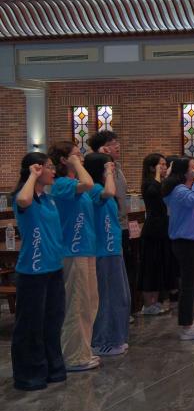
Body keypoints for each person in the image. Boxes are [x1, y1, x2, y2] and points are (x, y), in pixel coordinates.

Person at [10, 153, 66, 391]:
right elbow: (23, 200)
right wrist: (32, 176)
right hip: (33, 270)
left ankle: (53, 369)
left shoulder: (49, 199)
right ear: (36, 169)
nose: (53, 171)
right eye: (49, 167)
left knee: (52, 322)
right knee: (30, 325)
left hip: (54, 267)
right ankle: (29, 375)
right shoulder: (24, 197)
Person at [48, 141, 103, 372]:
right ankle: (73, 356)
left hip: (86, 247)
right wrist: (77, 165)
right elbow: (88, 183)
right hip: (72, 249)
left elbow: (93, 188)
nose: (81, 157)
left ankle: (83, 349)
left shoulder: (74, 183)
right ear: (64, 160)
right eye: (75, 154)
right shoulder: (61, 184)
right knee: (76, 303)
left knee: (90, 302)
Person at [84, 153, 129, 357]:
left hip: (113, 248)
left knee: (119, 296)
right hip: (102, 249)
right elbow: (110, 191)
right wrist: (109, 172)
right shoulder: (93, 189)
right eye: (107, 167)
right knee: (107, 297)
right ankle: (102, 340)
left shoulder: (101, 188)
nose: (111, 170)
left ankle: (116, 337)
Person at [162, 157, 194, 341]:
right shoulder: (179, 190)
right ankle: (186, 325)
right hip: (186, 241)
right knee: (189, 285)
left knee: (191, 283)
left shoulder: (183, 189)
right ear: (184, 171)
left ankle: (188, 321)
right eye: (193, 167)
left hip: (191, 240)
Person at [138, 153, 174, 315]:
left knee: (160, 265)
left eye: (165, 164)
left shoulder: (162, 182)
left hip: (164, 229)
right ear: (152, 168)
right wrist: (159, 175)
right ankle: (148, 303)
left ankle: (156, 301)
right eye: (161, 165)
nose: (165, 167)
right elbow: (153, 192)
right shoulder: (148, 183)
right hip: (152, 230)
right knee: (150, 267)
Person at [88, 131, 128, 229]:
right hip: (107, 225)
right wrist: (101, 156)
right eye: (111, 144)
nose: (117, 146)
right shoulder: (98, 171)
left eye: (116, 142)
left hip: (122, 224)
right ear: (102, 149)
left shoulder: (117, 167)